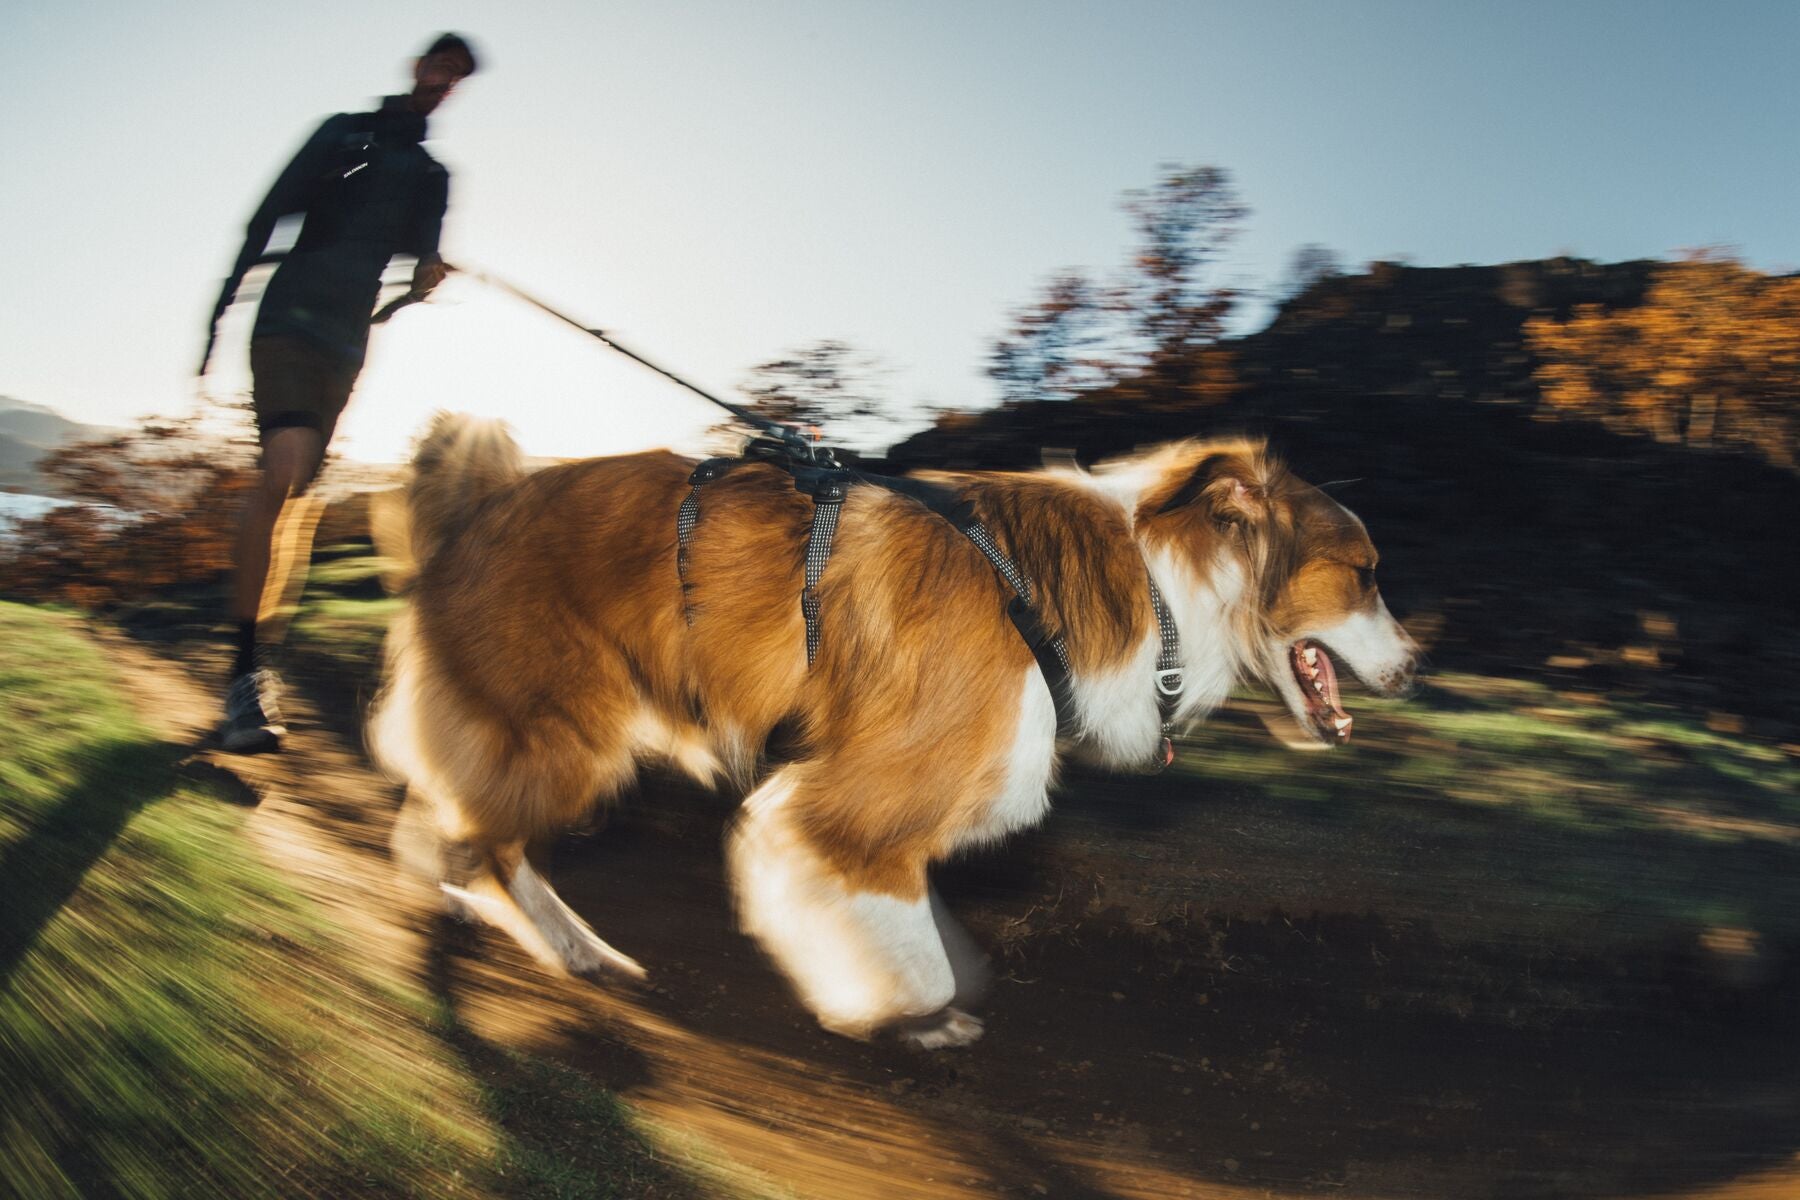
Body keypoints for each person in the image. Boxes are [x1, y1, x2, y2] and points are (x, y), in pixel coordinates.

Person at [202, 32, 478, 752]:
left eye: (457, 76)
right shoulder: (345, 134)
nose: (443, 80)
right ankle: (243, 677)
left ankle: (252, 668)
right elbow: (268, 214)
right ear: (417, 66)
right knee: (285, 470)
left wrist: (426, 280)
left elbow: (419, 262)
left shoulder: (431, 174)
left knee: (294, 498)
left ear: (456, 88)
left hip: (348, 341)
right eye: (439, 65)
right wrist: (222, 307)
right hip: (290, 318)